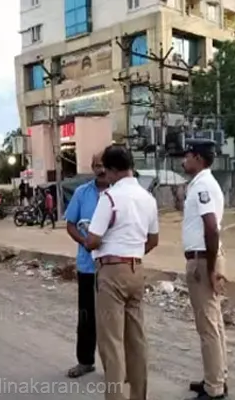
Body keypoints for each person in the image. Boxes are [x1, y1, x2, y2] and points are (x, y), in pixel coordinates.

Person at [84, 145, 159, 400]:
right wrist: (132, 253)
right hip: (136, 269)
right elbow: (153, 240)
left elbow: (93, 240)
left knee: (112, 343)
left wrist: (91, 242)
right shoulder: (148, 198)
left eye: (106, 169)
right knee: (136, 340)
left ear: (113, 169)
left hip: (111, 273)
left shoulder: (110, 198)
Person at [180, 139, 228, 400]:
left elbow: (211, 227)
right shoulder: (201, 184)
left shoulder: (204, 185)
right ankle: (217, 377)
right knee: (215, 323)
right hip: (204, 257)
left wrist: (209, 268)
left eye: (187, 156)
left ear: (197, 157)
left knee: (208, 326)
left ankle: (215, 388)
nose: (183, 160)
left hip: (202, 259)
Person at [63, 152, 109, 379]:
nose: (100, 170)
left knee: (112, 317)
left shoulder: (118, 194)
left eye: (104, 165)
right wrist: (84, 242)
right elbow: (70, 224)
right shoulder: (82, 193)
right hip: (87, 266)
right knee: (86, 316)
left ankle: (115, 365)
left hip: (112, 266)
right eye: (97, 165)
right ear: (92, 167)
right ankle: (85, 361)